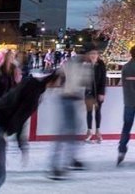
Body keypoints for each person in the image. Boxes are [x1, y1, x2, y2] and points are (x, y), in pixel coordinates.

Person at [0, 72, 58, 194]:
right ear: (54, 82)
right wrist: (11, 135)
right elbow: (20, 117)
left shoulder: (30, 83)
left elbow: (18, 113)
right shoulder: (34, 92)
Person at [49, 46, 92, 180]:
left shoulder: (82, 65)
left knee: (72, 130)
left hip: (71, 100)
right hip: (67, 99)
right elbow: (60, 75)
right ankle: (57, 165)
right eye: (91, 53)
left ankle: (69, 159)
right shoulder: (74, 64)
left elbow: (84, 83)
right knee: (66, 133)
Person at [85, 46, 107, 143]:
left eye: (95, 54)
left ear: (98, 55)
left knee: (98, 111)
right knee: (89, 111)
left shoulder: (101, 64)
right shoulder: (86, 64)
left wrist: (101, 92)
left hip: (98, 92)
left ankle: (98, 131)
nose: (93, 55)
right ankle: (89, 131)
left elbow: (103, 79)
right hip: (88, 91)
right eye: (91, 54)